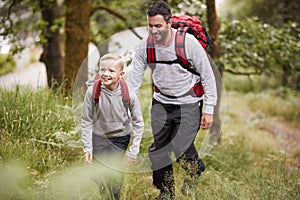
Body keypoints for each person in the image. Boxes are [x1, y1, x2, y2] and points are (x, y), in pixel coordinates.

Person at [126, 1, 217, 199]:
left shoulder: (188, 44)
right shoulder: (145, 46)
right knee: (158, 150)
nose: (153, 30)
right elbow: (133, 80)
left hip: (189, 103)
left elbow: (208, 76)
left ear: (169, 24)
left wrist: (208, 109)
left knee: (181, 148)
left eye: (158, 26)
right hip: (161, 102)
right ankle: (166, 193)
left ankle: (195, 170)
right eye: (150, 25)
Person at [81, 54, 144, 200]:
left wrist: (133, 151)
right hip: (99, 138)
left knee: (114, 174)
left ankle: (115, 196)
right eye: (103, 70)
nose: (106, 74)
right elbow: (86, 120)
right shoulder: (92, 92)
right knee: (99, 175)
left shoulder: (128, 93)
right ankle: (104, 193)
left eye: (111, 71)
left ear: (121, 74)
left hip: (120, 138)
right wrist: (87, 148)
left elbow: (138, 123)